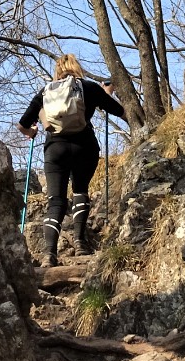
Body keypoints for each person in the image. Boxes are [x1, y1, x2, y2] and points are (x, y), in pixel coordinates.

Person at [18, 54, 125, 267]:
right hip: (84, 146)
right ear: (77, 67)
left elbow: (22, 125)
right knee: (80, 190)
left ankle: (49, 254)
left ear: (58, 71)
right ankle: (80, 243)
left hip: (55, 149)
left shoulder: (46, 92)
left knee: (56, 201)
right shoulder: (88, 87)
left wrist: (31, 132)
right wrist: (107, 94)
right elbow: (120, 111)